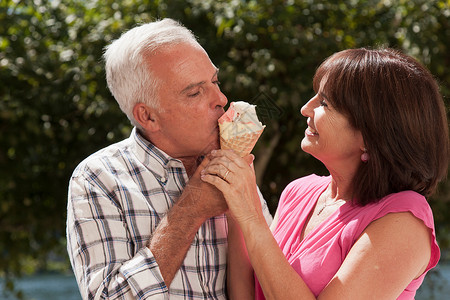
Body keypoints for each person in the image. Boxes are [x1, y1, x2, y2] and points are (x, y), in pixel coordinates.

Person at [201, 47, 449, 299]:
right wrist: (235, 205)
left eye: (324, 103)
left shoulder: (404, 219)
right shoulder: (298, 191)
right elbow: (249, 294)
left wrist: (252, 217)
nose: (305, 109)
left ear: (371, 135)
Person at [66, 18, 272, 299]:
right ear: (148, 116)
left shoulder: (230, 165)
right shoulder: (98, 178)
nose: (221, 99)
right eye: (195, 92)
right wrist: (191, 209)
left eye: (215, 81)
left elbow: (273, 283)